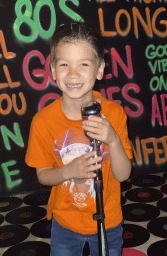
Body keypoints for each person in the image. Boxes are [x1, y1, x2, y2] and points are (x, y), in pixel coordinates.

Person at [25, 22, 133, 256]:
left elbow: (123, 174)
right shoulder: (43, 121)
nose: (73, 73)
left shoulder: (114, 114)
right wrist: (68, 170)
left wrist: (112, 140)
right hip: (65, 224)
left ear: (100, 69)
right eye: (64, 64)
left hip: (108, 221)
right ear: (53, 70)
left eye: (84, 64)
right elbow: (43, 175)